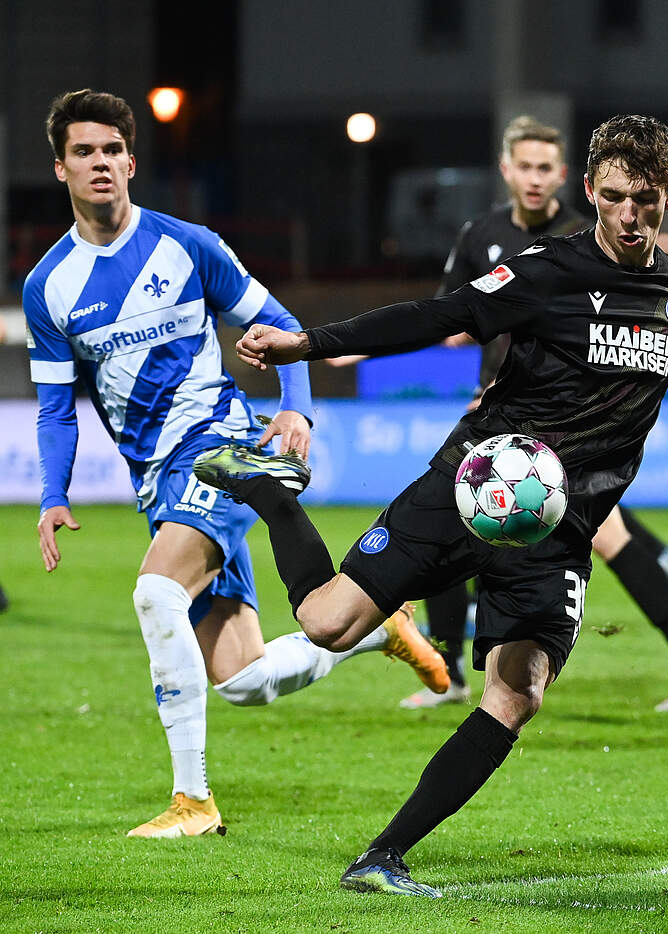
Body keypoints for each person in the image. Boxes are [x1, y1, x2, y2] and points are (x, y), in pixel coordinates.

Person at [192, 113, 668, 896]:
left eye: (645, 199)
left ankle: (382, 857)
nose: (630, 216)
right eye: (615, 197)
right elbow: (439, 316)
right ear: (591, 190)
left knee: (518, 691)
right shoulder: (547, 270)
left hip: (561, 525)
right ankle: (273, 496)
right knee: (325, 624)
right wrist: (309, 342)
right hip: (473, 483)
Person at [23, 89, 447, 838]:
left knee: (156, 593)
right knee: (244, 679)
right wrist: (53, 493)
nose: (101, 163)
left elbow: (281, 324)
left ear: (131, 162)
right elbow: (56, 407)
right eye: (84, 151)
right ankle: (377, 628)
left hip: (219, 449)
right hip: (157, 481)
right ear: (61, 168)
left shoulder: (188, 246)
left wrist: (296, 408)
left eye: (113, 150)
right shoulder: (47, 286)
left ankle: (193, 803)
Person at [393, 115, 668, 713]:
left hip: (571, 429)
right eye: (526, 166)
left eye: (546, 167)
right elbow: (451, 316)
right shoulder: (479, 233)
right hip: (503, 422)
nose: (535, 178)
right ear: (506, 169)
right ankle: (453, 670)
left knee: (604, 540)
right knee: (468, 519)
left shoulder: (586, 233)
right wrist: (348, 348)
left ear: (566, 175)